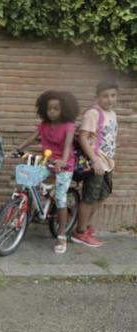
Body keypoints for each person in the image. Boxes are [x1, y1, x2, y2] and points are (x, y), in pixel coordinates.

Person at [13, 91, 79, 253]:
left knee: (60, 198)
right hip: (47, 162)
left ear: (64, 109)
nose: (52, 112)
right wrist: (18, 149)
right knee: (27, 179)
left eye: (56, 109)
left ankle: (61, 235)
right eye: (49, 109)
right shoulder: (43, 125)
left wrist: (63, 161)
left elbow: (67, 146)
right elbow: (31, 138)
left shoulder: (68, 126)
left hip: (64, 165)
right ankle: (23, 212)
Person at [72, 80, 120, 247]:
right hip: (96, 163)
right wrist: (95, 160)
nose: (110, 99)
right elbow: (83, 137)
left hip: (108, 163)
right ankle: (79, 232)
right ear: (97, 97)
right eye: (105, 96)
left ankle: (85, 226)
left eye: (113, 95)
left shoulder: (112, 114)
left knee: (102, 195)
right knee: (90, 197)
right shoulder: (93, 113)